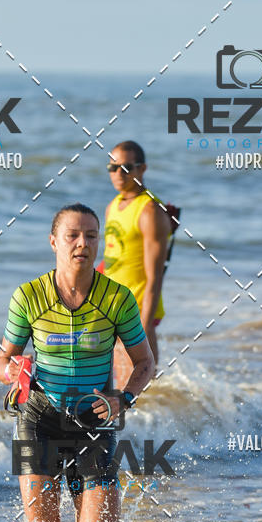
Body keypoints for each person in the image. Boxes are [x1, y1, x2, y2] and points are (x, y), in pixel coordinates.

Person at [0, 203, 155, 522]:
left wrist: (124, 399)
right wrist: (16, 371)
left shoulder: (116, 299)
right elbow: (2, 362)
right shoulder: (28, 296)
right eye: (72, 235)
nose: (82, 243)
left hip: (92, 422)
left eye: (90, 236)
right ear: (54, 242)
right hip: (39, 419)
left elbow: (145, 363)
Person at [102, 140, 173, 386]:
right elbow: (111, 259)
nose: (118, 174)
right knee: (118, 385)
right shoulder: (113, 206)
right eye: (113, 168)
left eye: (126, 168)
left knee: (142, 385)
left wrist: (143, 324)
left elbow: (155, 277)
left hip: (138, 308)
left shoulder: (150, 210)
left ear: (142, 169)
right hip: (111, 307)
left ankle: (153, 424)